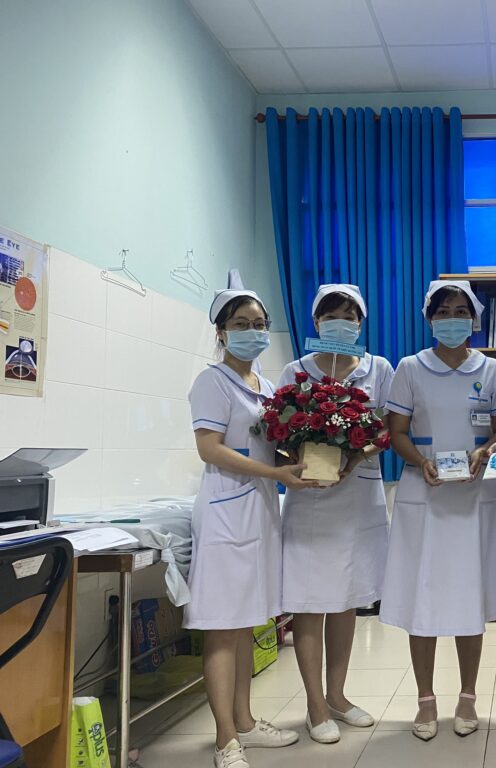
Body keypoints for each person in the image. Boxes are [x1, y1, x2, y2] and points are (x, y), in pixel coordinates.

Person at [185, 285, 315, 768]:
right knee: (223, 626)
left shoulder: (263, 384)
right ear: (221, 332)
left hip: (258, 509)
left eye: (259, 324)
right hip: (226, 511)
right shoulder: (212, 381)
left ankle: (244, 721)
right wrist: (276, 474)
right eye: (241, 324)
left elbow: (269, 446)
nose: (252, 331)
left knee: (244, 623)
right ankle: (225, 740)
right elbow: (210, 448)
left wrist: (306, 456)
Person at [380, 279, 496, 741]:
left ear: (473, 320)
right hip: (424, 493)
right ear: (429, 318)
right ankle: (425, 699)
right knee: (424, 595)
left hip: (473, 494)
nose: (452, 320)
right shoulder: (410, 368)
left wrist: (484, 452)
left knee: (468, 595)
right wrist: (421, 462)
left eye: (460, 312)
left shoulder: (491, 370)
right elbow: (396, 432)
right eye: (443, 312)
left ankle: (468, 695)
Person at [278, 284, 394, 744]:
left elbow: (388, 428)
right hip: (310, 498)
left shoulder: (378, 369)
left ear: (361, 324)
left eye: (349, 316)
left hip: (358, 495)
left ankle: (338, 696)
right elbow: (278, 431)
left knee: (347, 598)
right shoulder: (296, 370)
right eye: (331, 316)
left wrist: (355, 456)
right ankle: (314, 705)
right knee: (310, 602)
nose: (340, 323)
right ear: (316, 322)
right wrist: (301, 455)